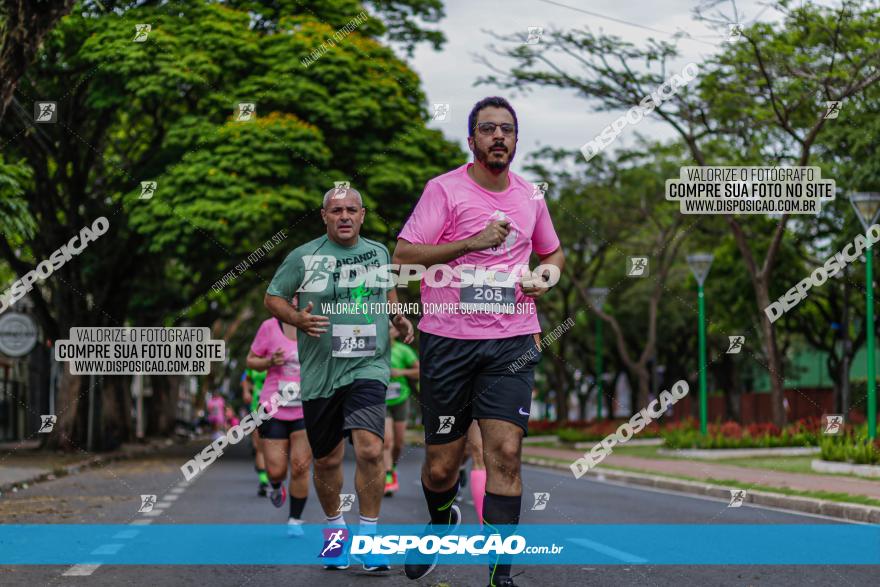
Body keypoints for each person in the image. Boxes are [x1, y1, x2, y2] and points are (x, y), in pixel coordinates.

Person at [393, 96, 564, 587]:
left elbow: (553, 253)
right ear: (471, 140)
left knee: (505, 453)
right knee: (442, 466)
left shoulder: (531, 196)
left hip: (512, 341)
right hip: (447, 341)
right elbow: (404, 253)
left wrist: (544, 279)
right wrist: (470, 242)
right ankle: (442, 517)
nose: (498, 137)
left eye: (507, 130)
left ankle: (499, 575)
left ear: (515, 140)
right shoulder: (443, 191)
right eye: (487, 129)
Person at [264, 186, 415, 572]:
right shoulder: (304, 256)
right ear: (324, 216)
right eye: (336, 211)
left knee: (368, 448)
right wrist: (296, 318)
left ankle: (370, 539)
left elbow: (388, 292)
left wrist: (397, 316)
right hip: (320, 374)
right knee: (328, 459)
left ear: (362, 215)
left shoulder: (378, 252)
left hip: (369, 366)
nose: (344, 216)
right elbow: (273, 298)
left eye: (351, 210)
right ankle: (335, 533)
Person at [247, 315, 312, 537]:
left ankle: (295, 520)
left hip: (306, 406)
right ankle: (275, 485)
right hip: (272, 407)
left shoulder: (318, 324)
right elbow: (251, 360)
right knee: (276, 470)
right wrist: (268, 362)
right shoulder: (269, 326)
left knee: (301, 465)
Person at [383, 322, 419, 497]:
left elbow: (420, 372)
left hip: (401, 399)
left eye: (389, 327)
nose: (386, 330)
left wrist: (400, 373)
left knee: (398, 443)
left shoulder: (403, 351)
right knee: (387, 441)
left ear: (396, 331)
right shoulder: (375, 349)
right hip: (381, 401)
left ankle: (393, 466)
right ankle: (388, 474)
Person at [242, 368, 270, 496]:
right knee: (258, 446)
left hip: (278, 407)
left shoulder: (279, 356)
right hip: (256, 407)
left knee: (273, 445)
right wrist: (246, 391)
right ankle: (263, 481)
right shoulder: (253, 362)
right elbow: (246, 380)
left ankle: (275, 477)